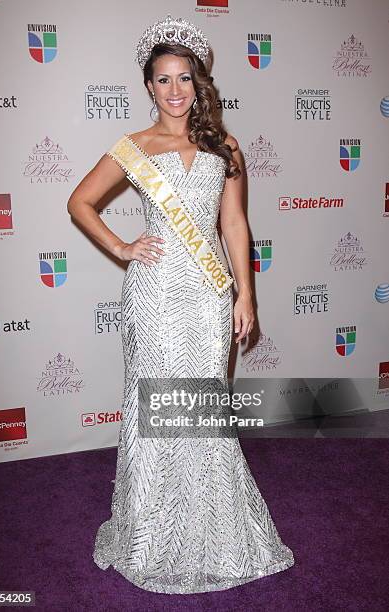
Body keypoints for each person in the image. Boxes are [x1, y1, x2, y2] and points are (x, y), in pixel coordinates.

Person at [67, 15, 294, 594]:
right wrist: (122, 247)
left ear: (199, 83)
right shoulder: (134, 147)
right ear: (148, 86)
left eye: (185, 79)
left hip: (208, 296)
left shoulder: (225, 144)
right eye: (163, 79)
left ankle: (214, 529)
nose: (175, 90)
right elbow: (80, 202)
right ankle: (150, 533)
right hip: (154, 296)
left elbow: (236, 224)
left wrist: (246, 292)